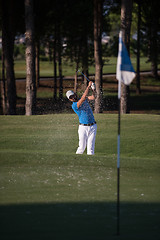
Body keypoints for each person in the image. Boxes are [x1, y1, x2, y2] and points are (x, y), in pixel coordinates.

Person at [66, 81, 97, 155]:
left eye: (72, 95)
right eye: (70, 98)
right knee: (81, 147)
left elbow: (94, 97)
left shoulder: (84, 98)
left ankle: (90, 165)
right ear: (70, 100)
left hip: (93, 126)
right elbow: (82, 99)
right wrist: (88, 86)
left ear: (74, 94)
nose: (72, 98)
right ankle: (77, 162)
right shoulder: (74, 105)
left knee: (91, 149)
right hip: (83, 128)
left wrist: (94, 89)